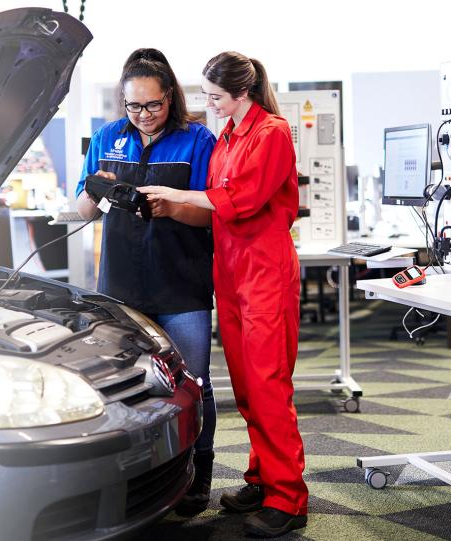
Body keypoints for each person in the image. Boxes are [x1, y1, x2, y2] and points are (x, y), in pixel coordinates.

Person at [138, 51, 308, 537]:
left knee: (269, 383)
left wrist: (175, 195)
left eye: (215, 96)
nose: (208, 104)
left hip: (264, 272)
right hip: (231, 271)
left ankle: (289, 497)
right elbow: (218, 197)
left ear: (242, 93)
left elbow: (239, 199)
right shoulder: (231, 134)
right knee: (248, 386)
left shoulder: (271, 132)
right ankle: (263, 477)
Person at [74, 48, 218, 515]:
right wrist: (96, 188)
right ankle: (137, 480)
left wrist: (172, 206)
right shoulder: (107, 136)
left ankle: (199, 474)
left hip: (180, 283)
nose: (143, 116)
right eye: (133, 106)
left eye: (152, 106)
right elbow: (82, 211)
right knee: (124, 388)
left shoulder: (197, 139)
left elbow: (211, 214)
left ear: (170, 98)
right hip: (121, 287)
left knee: (193, 384)